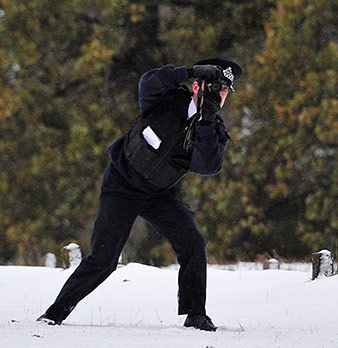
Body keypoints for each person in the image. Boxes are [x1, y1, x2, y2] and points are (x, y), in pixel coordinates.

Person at [36, 59, 243, 331]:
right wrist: (187, 71)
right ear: (196, 86)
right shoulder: (166, 99)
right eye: (214, 87)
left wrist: (205, 121)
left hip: (160, 194)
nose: (219, 94)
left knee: (193, 242)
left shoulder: (213, 128)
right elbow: (149, 81)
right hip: (122, 185)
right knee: (103, 260)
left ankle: (196, 314)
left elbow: (207, 166)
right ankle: (54, 313)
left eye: (225, 90)